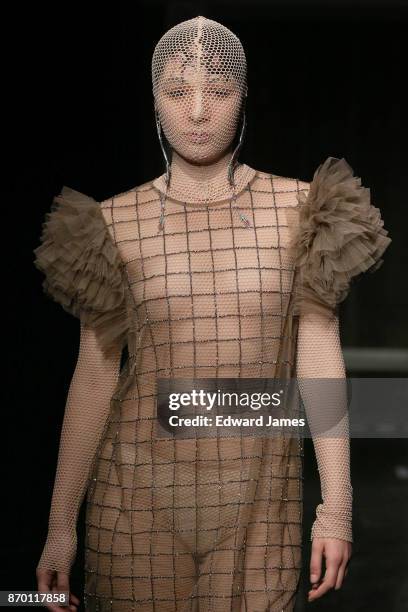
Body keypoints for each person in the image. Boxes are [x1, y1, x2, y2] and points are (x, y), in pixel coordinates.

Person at [34, 15, 391, 612]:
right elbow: (96, 375)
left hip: (261, 508)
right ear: (154, 98)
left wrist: (337, 508)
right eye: (178, 91)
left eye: (218, 91)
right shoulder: (111, 224)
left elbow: (320, 357)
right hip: (133, 502)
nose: (198, 111)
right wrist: (59, 527)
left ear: (243, 97)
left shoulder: (302, 208)